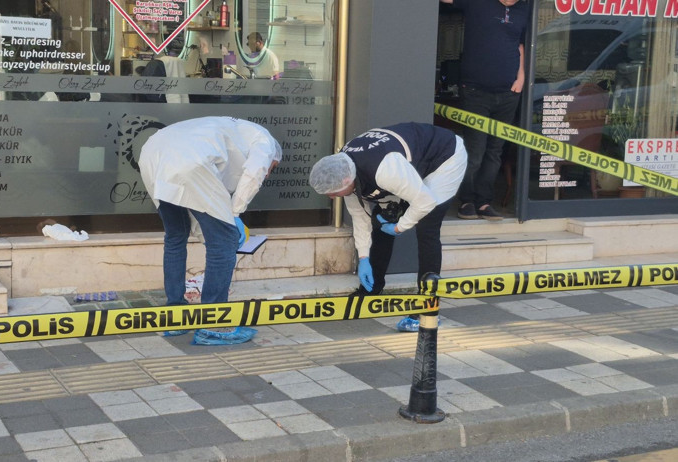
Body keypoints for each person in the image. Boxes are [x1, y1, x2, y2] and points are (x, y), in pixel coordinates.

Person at [308, 123, 467, 332]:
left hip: (444, 156)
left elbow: (425, 202)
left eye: (332, 192)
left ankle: (427, 306)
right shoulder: (344, 166)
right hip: (408, 161)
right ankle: (372, 289)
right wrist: (363, 257)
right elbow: (359, 216)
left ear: (348, 180)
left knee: (427, 227)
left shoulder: (385, 170)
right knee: (381, 219)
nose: (330, 196)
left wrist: (400, 227)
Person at [139, 117, 282, 345]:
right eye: (271, 169)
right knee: (224, 242)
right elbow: (255, 173)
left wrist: (215, 232)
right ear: (274, 158)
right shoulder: (264, 141)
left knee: (176, 235)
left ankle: (174, 318)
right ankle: (214, 325)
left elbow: (200, 206)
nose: (268, 174)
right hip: (189, 158)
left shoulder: (230, 133)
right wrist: (235, 214)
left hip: (153, 154)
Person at [441, 0, 529, 220]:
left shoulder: (525, 8)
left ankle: (484, 202)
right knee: (475, 151)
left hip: (509, 93)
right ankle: (467, 201)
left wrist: (521, 78)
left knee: (494, 152)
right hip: (475, 92)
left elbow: (520, 45)